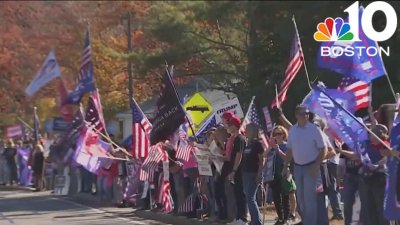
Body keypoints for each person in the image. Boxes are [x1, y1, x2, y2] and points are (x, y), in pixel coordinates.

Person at [283, 105, 327, 225]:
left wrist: (316, 165)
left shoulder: (314, 129)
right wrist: (285, 165)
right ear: (297, 115)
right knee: (301, 200)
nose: (305, 115)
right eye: (303, 113)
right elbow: (289, 150)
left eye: (307, 113)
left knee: (309, 199)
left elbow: (324, 149)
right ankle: (307, 220)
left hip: (311, 167)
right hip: (298, 167)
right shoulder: (293, 130)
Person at [361, 124, 391, 225]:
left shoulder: (385, 145)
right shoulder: (367, 144)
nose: (369, 135)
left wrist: (377, 165)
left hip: (380, 178)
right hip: (368, 178)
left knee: (381, 207)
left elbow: (387, 157)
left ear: (378, 134)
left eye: (372, 133)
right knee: (370, 206)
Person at [267, 125, 295, 225]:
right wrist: (270, 146)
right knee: (276, 197)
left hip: (284, 173)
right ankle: (280, 217)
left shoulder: (286, 145)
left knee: (285, 197)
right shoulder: (272, 146)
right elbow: (265, 156)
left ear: (284, 134)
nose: (277, 136)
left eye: (279, 134)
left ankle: (286, 218)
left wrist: (278, 149)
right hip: (273, 174)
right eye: (275, 134)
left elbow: (287, 158)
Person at [241, 123, 264, 225]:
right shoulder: (248, 144)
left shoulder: (257, 144)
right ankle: (255, 219)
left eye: (247, 129)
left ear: (253, 131)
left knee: (250, 197)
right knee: (248, 196)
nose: (245, 131)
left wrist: (259, 174)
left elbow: (262, 159)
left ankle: (256, 222)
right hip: (245, 173)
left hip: (253, 173)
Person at [226, 116, 247, 225]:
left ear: (234, 126)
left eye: (229, 125)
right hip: (233, 170)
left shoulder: (240, 138)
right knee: (236, 194)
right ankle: (238, 217)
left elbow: (239, 155)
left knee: (240, 194)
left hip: (239, 171)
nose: (227, 127)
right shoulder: (233, 138)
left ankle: (242, 218)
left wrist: (234, 170)